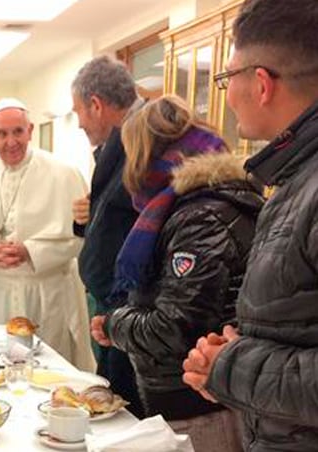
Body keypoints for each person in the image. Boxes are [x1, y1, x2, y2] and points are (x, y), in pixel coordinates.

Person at [89, 95, 262, 451]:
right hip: (201, 396)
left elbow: (173, 329)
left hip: (198, 405)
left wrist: (114, 324)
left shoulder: (200, 218)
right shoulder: (197, 206)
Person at [182, 0, 318, 449]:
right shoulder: (292, 177)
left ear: (260, 84)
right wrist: (239, 349)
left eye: (225, 79)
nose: (225, 93)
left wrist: (230, 366)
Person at [0, 98, 95, 370]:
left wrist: (31, 251)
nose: (11, 141)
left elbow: (81, 237)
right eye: (2, 134)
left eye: (18, 132)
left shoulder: (64, 174)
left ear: (31, 130)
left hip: (47, 292)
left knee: (51, 370)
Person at [70, 56, 145, 417]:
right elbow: (120, 215)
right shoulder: (122, 143)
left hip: (134, 312)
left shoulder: (146, 142)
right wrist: (89, 218)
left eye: (79, 113)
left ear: (96, 105)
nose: (80, 123)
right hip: (117, 311)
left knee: (130, 420)